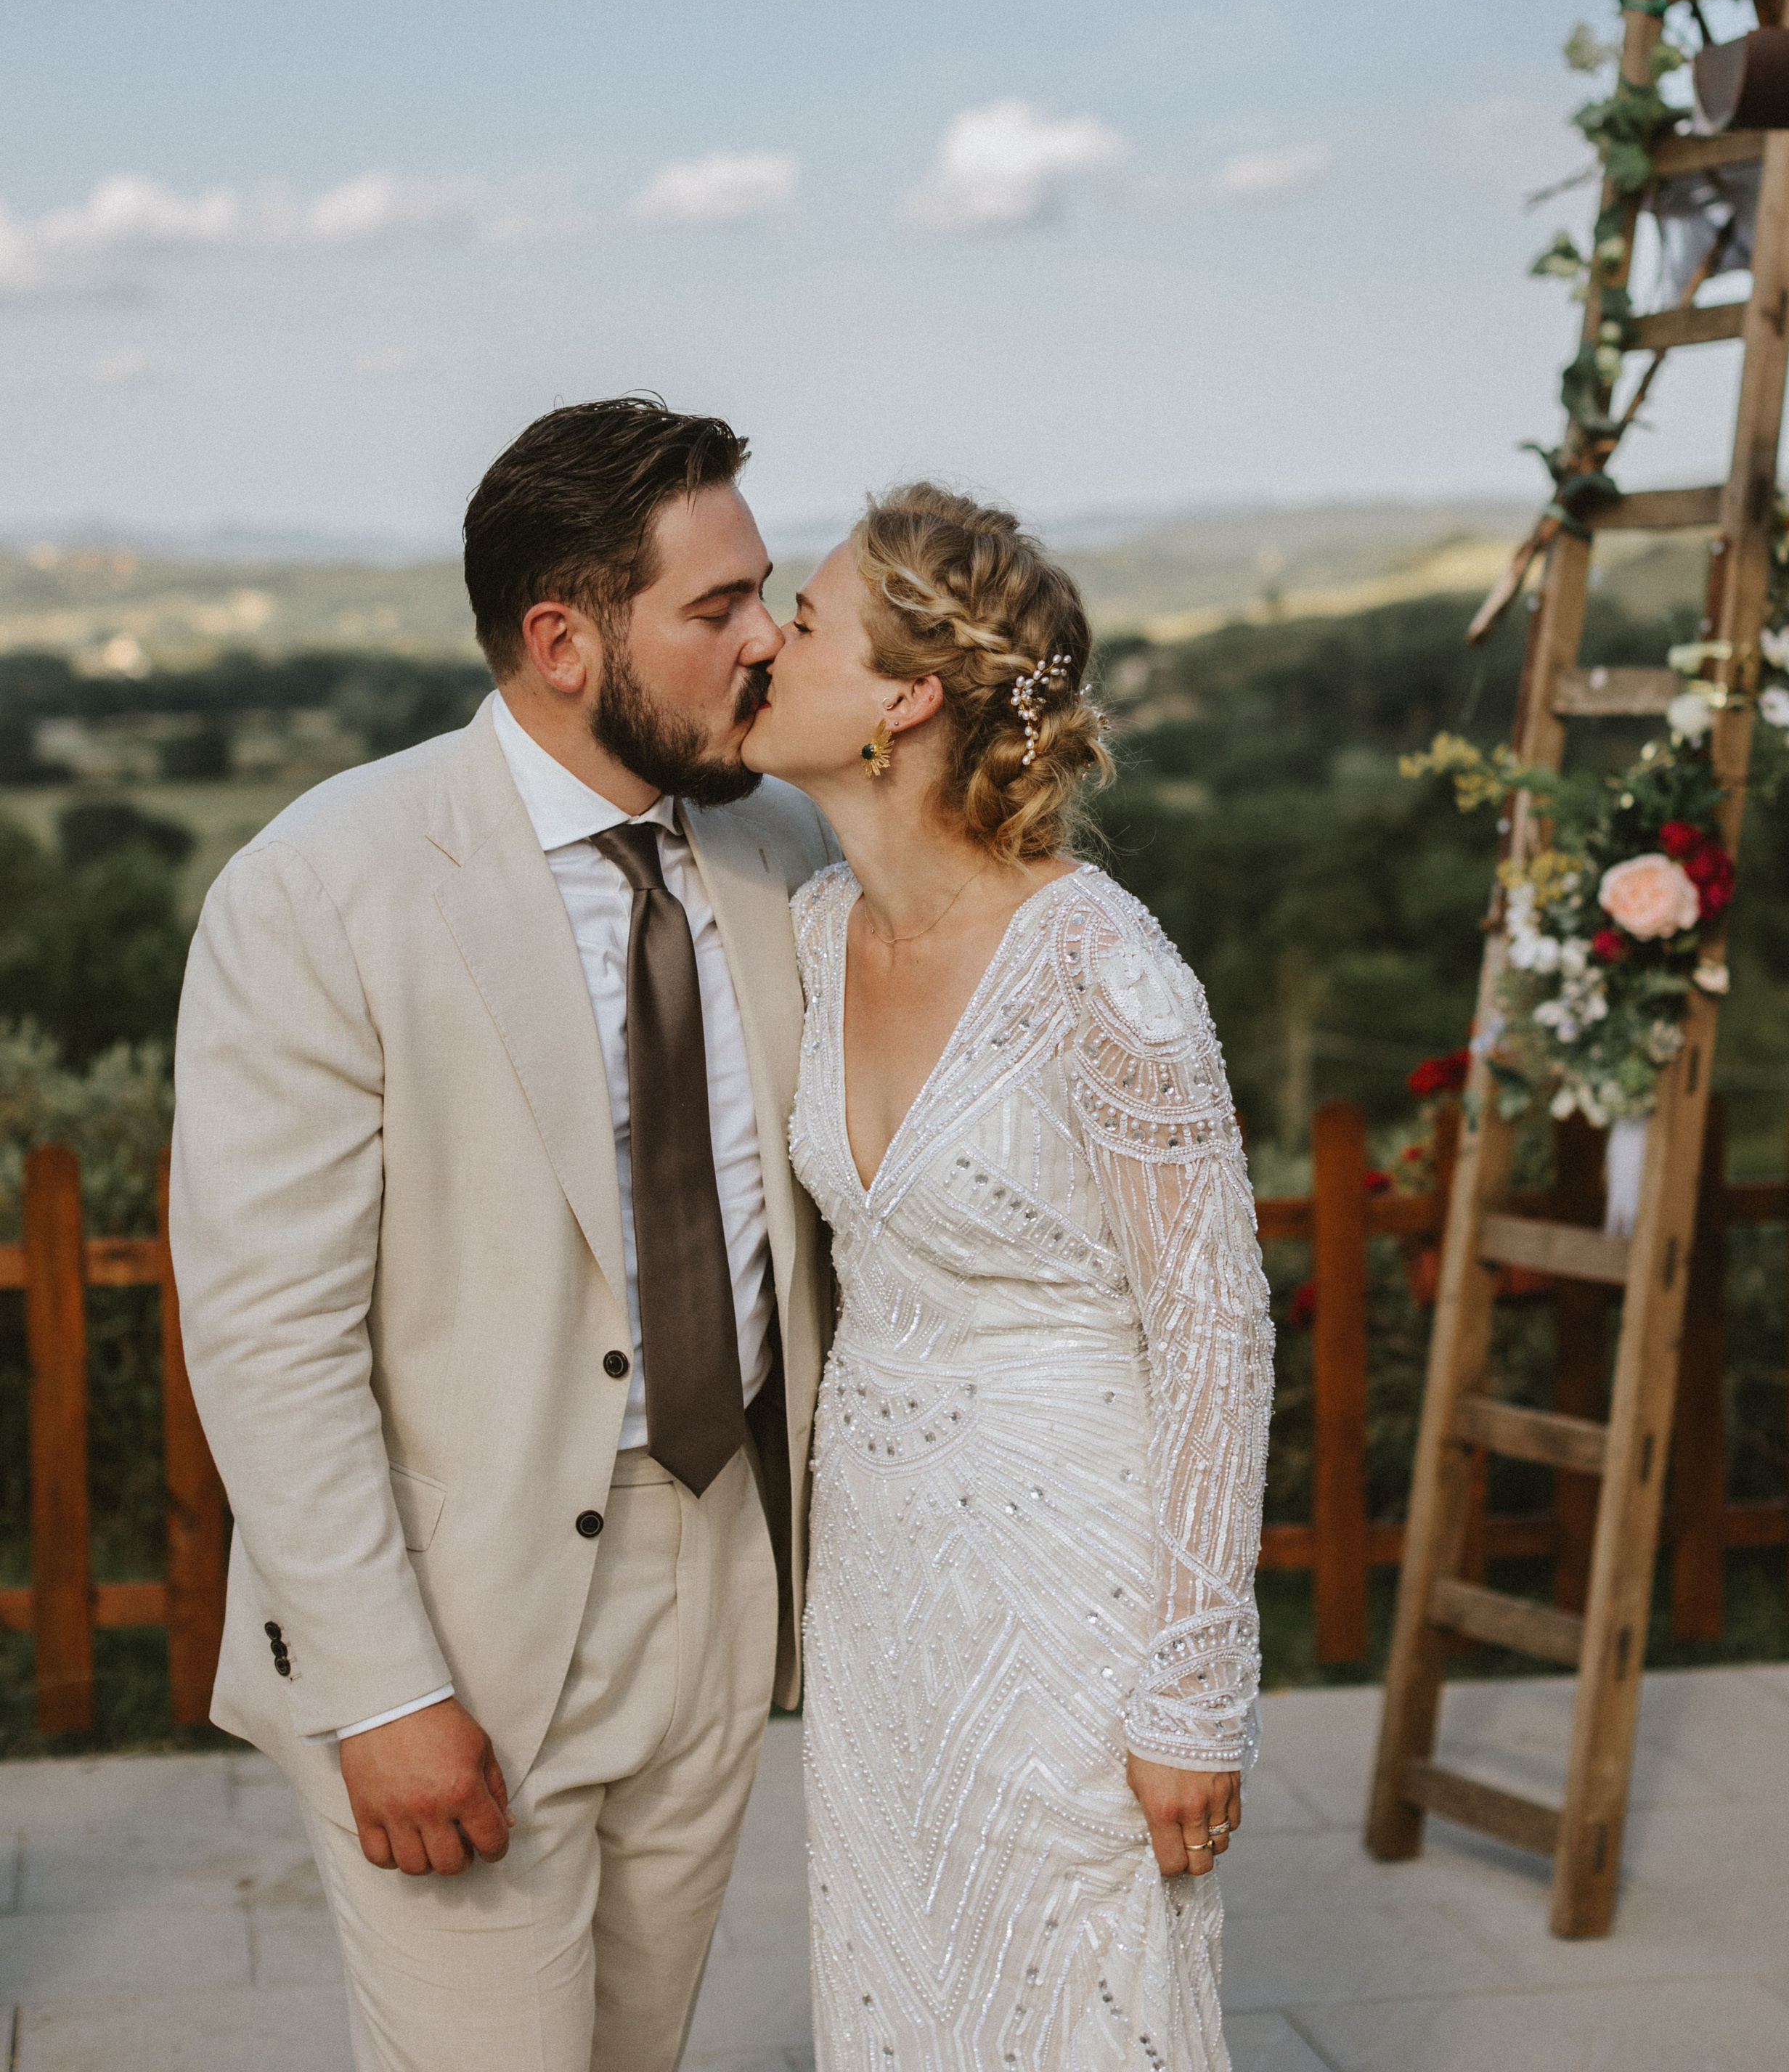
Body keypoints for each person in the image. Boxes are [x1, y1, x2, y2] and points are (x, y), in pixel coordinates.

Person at [171, 396, 836, 2072]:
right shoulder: (323, 884)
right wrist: (380, 1690)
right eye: (715, 607)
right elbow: (269, 1334)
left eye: (764, 589)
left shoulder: (774, 847)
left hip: (726, 1569)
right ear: (561, 640)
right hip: (456, 1613)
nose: (768, 638)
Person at [743, 484, 1274, 2072]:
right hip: (880, 1583)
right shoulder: (819, 932)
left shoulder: (1104, 973)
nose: (770, 637)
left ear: (902, 700)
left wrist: (1188, 1689)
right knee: (899, 1988)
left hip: (1073, 1589)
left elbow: (1213, 1335)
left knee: (1082, 2000)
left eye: (809, 617)